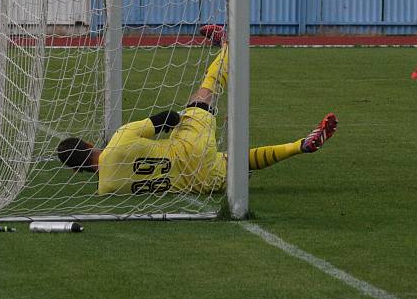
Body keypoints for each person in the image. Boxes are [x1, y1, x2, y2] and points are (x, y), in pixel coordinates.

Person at [56, 25, 338, 195]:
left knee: (239, 161)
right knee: (202, 96)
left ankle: (300, 145)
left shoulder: (106, 188)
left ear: (75, 172)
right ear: (89, 143)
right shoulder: (120, 139)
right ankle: (229, 46)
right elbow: (168, 118)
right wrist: (174, 122)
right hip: (188, 150)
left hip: (199, 182)